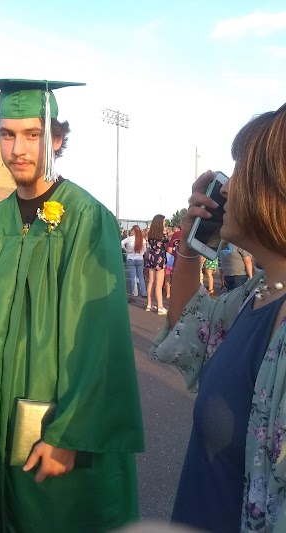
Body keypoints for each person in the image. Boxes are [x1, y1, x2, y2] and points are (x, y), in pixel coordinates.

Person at [0, 78, 144, 533]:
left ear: (57, 139)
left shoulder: (86, 218)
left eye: (32, 134)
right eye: (7, 134)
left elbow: (99, 336)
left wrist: (70, 433)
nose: (17, 148)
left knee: (55, 513)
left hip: (53, 409)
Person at [151, 103, 286, 532]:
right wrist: (191, 245)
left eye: (240, 171)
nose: (224, 190)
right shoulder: (257, 295)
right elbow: (192, 325)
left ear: (274, 187)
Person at [145, 214, 168, 314]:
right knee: (159, 284)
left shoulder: (150, 234)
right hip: (160, 259)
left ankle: (149, 305)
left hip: (151, 257)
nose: (165, 223)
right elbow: (167, 248)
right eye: (164, 221)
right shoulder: (163, 236)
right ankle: (160, 307)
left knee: (151, 282)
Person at [121, 224, 148, 297]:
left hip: (131, 258)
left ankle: (134, 292)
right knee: (141, 276)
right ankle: (143, 292)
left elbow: (121, 243)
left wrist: (126, 250)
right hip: (140, 258)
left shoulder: (129, 238)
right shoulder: (143, 240)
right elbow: (145, 250)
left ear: (134, 231)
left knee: (133, 276)